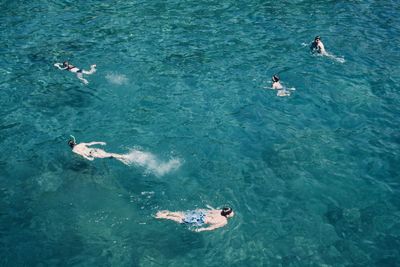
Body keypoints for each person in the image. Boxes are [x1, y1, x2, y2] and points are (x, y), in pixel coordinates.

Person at [155, 207, 234, 232]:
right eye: (230, 212)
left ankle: (168, 212)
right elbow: (212, 227)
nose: (232, 213)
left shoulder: (219, 211)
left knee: (182, 214)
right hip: (200, 220)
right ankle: (165, 216)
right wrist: (201, 229)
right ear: (227, 215)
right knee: (181, 220)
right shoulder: (224, 221)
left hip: (200, 214)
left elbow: (209, 210)